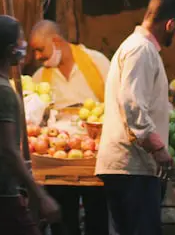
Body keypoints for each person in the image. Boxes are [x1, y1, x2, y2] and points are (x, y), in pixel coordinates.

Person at [95, 0, 175, 235]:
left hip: (132, 167)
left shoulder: (137, 48)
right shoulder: (141, 50)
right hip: (132, 167)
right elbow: (133, 104)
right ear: (170, 24)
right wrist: (158, 147)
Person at [0, 15, 61, 235]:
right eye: (20, 40)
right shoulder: (2, 91)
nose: (23, 46)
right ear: (10, 51)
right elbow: (8, 149)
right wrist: (40, 195)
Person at [28, 20, 110, 235]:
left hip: (95, 162)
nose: (36, 56)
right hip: (58, 162)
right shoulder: (40, 78)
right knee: (63, 222)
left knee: (98, 218)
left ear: (56, 41)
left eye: (39, 49)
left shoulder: (96, 62)